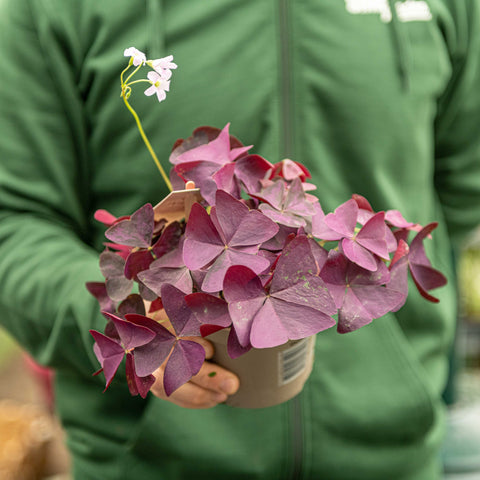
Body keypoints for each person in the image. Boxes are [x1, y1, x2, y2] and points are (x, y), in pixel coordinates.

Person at [1, 1, 480, 479]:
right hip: (147, 461)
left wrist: (365, 280)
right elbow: (13, 223)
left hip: (392, 454)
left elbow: (461, 185)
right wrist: (137, 328)